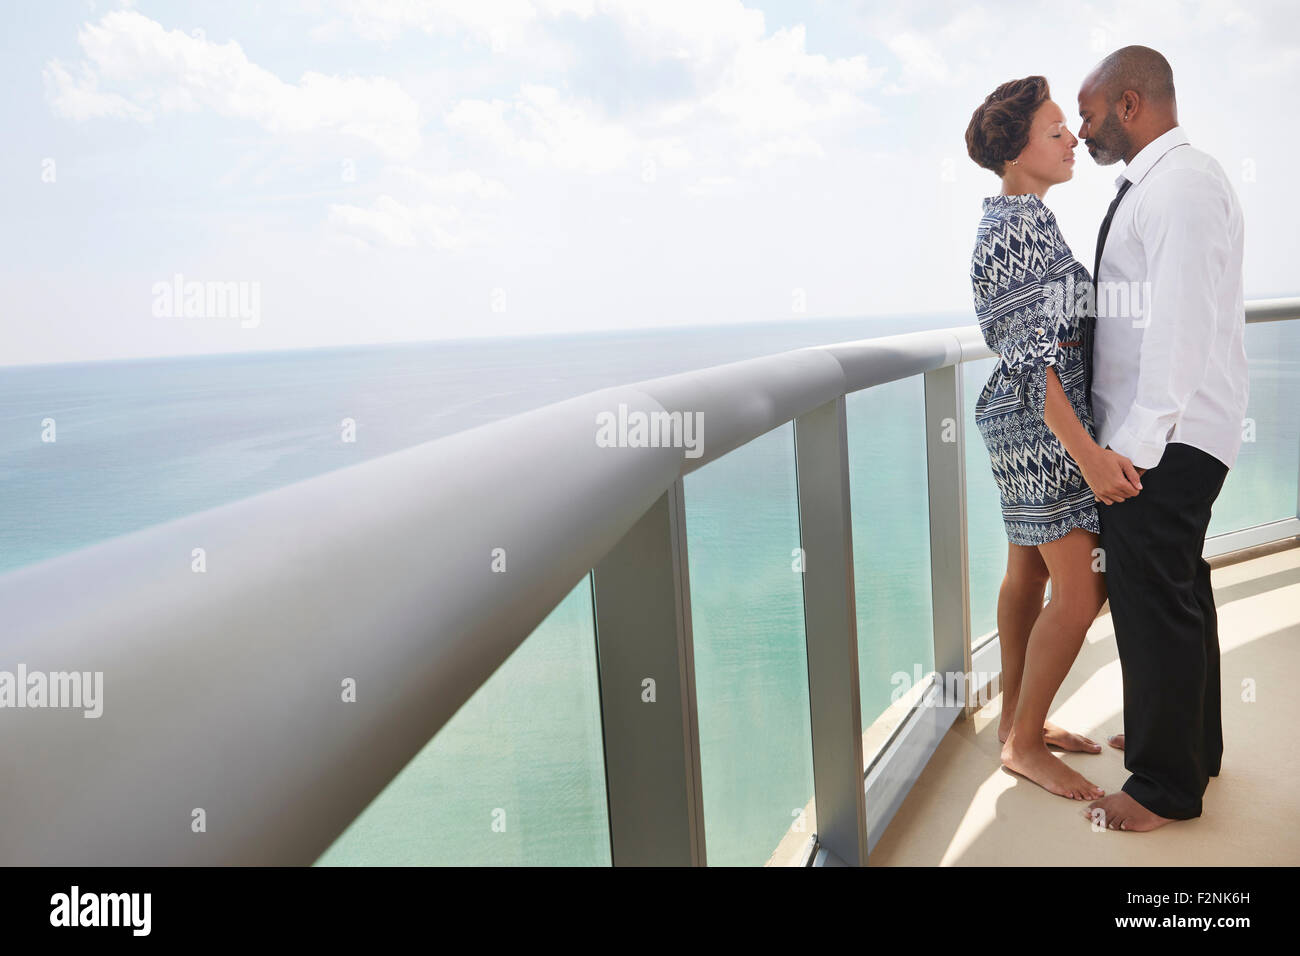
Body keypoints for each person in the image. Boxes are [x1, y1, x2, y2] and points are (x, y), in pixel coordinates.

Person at [1076, 46, 1249, 831]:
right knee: (1179, 589)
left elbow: (1176, 330)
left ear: (1131, 103)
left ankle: (1163, 787)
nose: (1082, 131)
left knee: (1153, 603)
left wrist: (1131, 451)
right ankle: (1184, 743)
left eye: (1088, 114)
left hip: (1164, 441)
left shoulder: (1178, 186)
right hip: (1176, 433)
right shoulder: (1168, 183)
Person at [965, 76, 1143, 801]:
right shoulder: (1018, 225)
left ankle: (1019, 723)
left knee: (1029, 575)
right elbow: (1032, 357)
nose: (1073, 138)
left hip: (1024, 423)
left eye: (1069, 128)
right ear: (1016, 150)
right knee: (1082, 588)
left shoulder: (1022, 216)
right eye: (1054, 130)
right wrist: (1089, 453)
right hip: (1044, 428)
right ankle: (1022, 744)